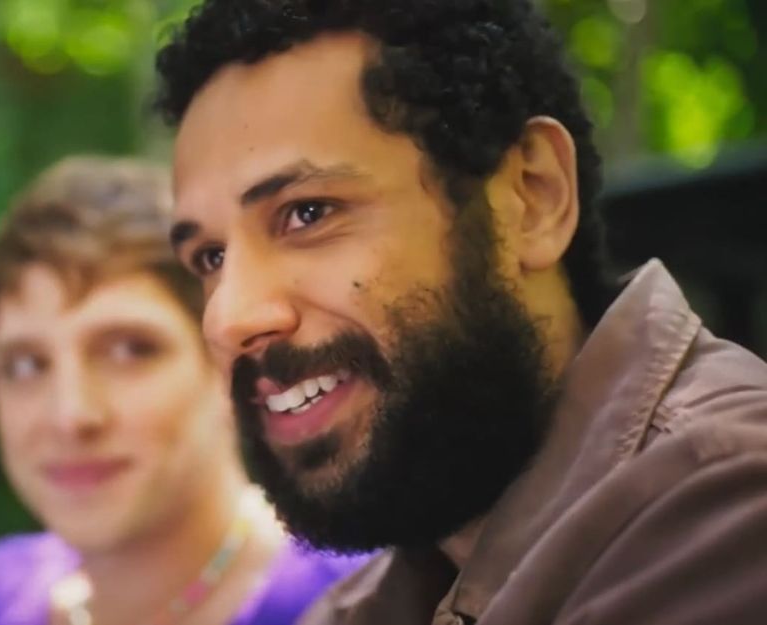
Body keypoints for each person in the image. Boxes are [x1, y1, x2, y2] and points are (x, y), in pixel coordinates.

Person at [153, 2, 767, 624]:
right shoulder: (376, 599)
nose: (228, 319)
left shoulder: (727, 507)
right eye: (210, 257)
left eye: (307, 213)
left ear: (532, 197)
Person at [0, 157, 363, 625]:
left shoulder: (362, 600)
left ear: (230, 368)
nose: (71, 414)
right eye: (26, 365)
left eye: (129, 350)